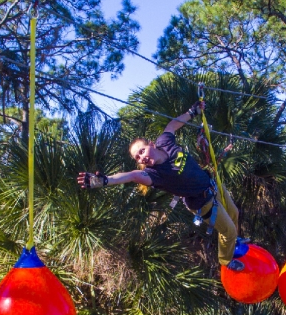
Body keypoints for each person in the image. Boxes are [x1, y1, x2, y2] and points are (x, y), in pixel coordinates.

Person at [77, 101, 247, 271]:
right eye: (137, 157)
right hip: (203, 202)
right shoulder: (152, 175)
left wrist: (191, 111)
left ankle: (234, 242)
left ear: (151, 144)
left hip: (212, 184)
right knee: (228, 231)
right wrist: (106, 180)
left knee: (234, 213)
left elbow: (172, 125)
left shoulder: (164, 142)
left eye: (142, 151)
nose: (141, 158)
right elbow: (131, 175)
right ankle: (226, 261)